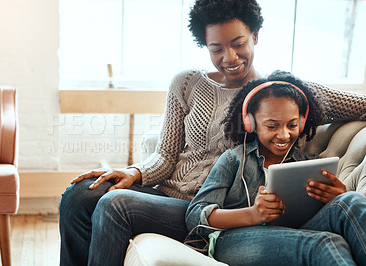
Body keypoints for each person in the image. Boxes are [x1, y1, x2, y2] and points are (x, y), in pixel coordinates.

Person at [59, 0, 366, 265]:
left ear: (255, 36)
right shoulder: (187, 83)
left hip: (219, 208)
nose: (229, 57)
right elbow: (166, 155)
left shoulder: (277, 97)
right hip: (168, 198)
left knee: (116, 205)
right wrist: (134, 171)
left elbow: (359, 106)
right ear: (204, 45)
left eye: (238, 43)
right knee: (78, 196)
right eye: (216, 48)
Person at [185, 70, 366, 265]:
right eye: (272, 126)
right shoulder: (233, 160)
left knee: (351, 200)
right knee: (326, 242)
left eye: (292, 125)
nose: (284, 135)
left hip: (296, 234)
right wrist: (253, 214)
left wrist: (337, 196)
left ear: (302, 122)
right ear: (251, 123)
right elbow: (194, 215)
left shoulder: (310, 164)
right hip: (234, 240)